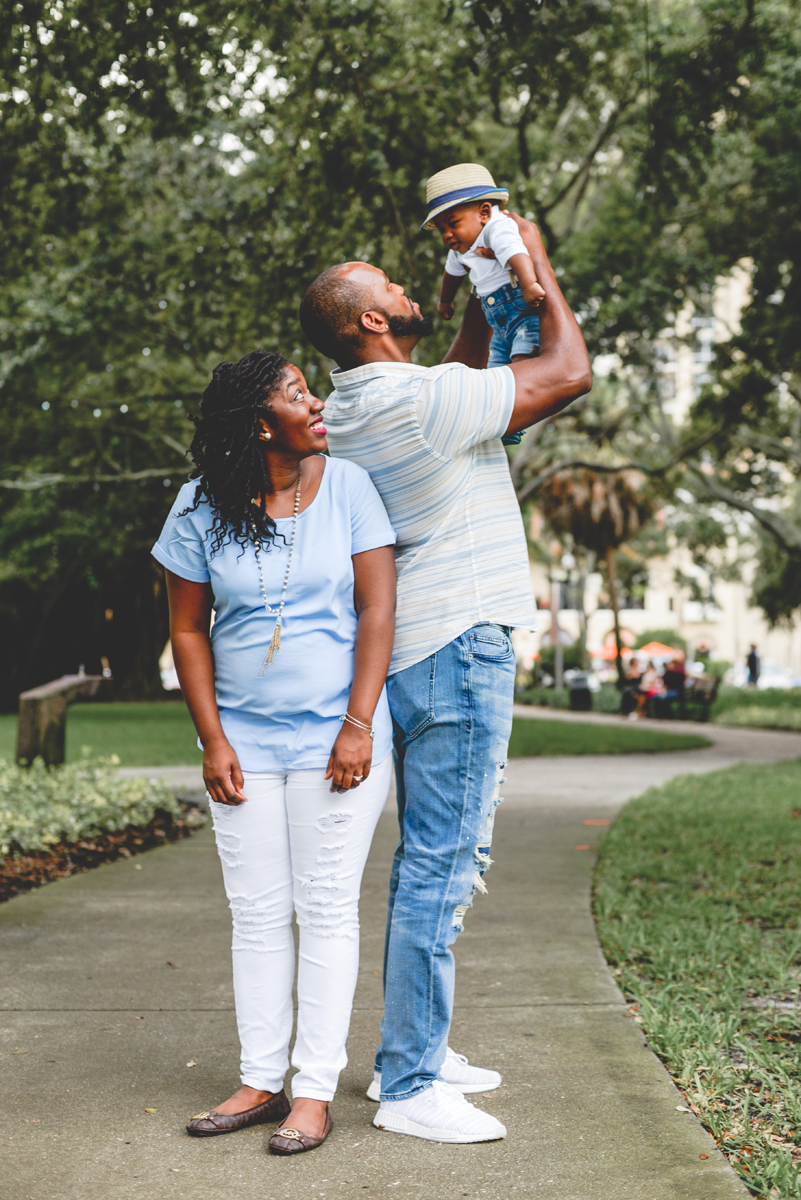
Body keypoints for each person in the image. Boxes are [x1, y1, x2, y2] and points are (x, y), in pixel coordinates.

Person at [298, 213, 591, 1144]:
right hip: (460, 645)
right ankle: (409, 1081)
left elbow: (463, 365)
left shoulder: (353, 408)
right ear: (370, 323)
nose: (404, 287)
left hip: (414, 654)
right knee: (442, 863)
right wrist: (529, 259)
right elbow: (568, 372)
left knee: (427, 859)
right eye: (388, 285)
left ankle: (418, 1043)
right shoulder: (418, 406)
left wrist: (475, 282)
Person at [151, 350, 397, 1156]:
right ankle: (260, 1079)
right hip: (243, 745)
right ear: (261, 424)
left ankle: (313, 1092)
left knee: (323, 909)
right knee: (256, 915)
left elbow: (376, 610)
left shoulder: (349, 487)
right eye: (297, 393)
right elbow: (187, 628)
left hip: (339, 741)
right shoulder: (200, 506)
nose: (315, 401)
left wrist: (358, 723)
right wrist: (212, 738)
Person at [426, 163, 546, 446]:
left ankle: (519, 417)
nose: (447, 235)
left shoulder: (497, 228)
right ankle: (505, 425)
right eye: (442, 229)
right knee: (496, 372)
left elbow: (516, 254)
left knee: (522, 363)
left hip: (519, 306)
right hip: (495, 317)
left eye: (452, 224)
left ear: (483, 213)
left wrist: (529, 285)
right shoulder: (462, 247)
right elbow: (451, 274)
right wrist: (445, 301)